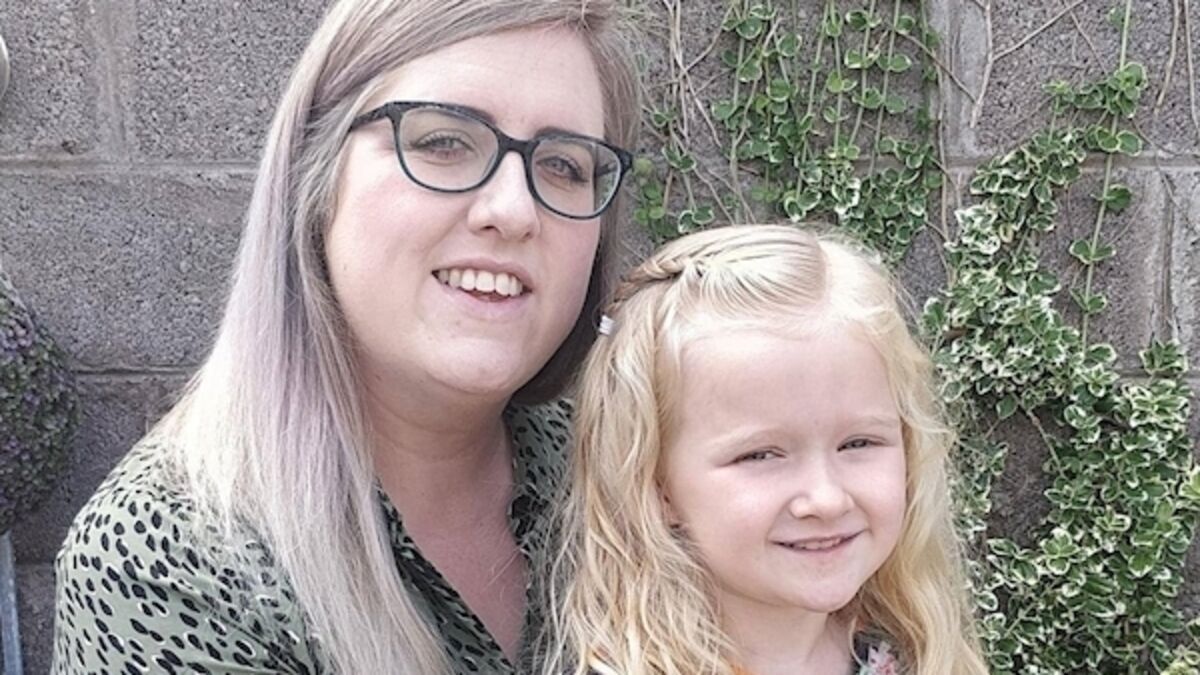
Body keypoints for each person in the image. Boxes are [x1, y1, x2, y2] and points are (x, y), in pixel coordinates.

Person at [51, 1, 639, 673]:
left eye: (564, 164)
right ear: (317, 173)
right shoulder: (164, 563)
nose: (513, 210)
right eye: (443, 142)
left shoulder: (620, 476)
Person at [542, 225, 989, 675]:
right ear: (659, 486)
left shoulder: (916, 657)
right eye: (761, 455)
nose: (826, 499)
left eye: (858, 443)